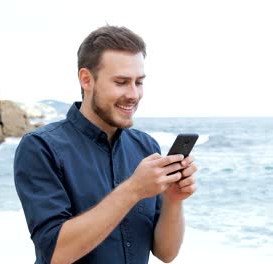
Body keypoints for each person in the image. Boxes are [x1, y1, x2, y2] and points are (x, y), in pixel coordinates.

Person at [14, 25, 198, 264]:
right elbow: (56, 254)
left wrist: (174, 200)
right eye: (121, 82)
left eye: (139, 82)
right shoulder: (40, 147)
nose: (134, 94)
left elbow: (166, 253)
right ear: (86, 79)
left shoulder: (146, 147)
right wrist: (133, 189)